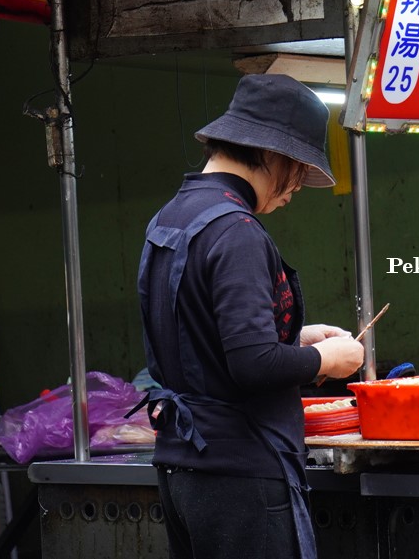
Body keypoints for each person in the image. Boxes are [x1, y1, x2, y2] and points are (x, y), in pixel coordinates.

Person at [135, 73, 364, 559]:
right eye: (299, 169)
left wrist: (294, 336)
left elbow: (193, 332)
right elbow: (253, 364)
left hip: (184, 473)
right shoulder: (235, 230)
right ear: (273, 153)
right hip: (239, 477)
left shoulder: (170, 217)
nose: (297, 186)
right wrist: (326, 358)